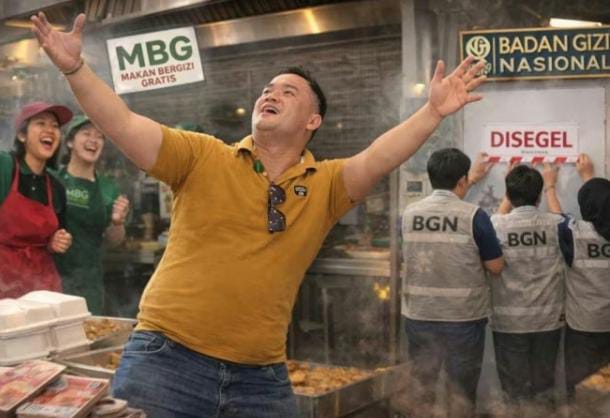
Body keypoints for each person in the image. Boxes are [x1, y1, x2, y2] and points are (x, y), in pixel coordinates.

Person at [31, 11, 487, 417]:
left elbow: (378, 157)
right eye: (268, 90)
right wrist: (75, 68)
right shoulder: (202, 155)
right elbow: (124, 122)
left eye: (289, 91)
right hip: (165, 360)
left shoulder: (326, 184)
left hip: (260, 378)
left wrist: (432, 112)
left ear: (312, 121)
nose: (271, 94)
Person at [401, 148, 503, 418]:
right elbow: (495, 267)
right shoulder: (475, 216)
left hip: (420, 315)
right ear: (461, 180)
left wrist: (470, 180)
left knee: (422, 389)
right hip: (463, 320)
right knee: (461, 393)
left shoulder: (409, 214)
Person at [489, 164, 570, 413]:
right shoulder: (556, 225)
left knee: (513, 392)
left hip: (509, 323)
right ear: (538, 197)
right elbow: (562, 220)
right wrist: (551, 186)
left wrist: (510, 190)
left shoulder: (496, 224)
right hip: (547, 321)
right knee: (543, 389)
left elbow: (496, 222)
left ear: (509, 195)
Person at [52, 115, 129, 315]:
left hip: (90, 282)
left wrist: (117, 222)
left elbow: (114, 241)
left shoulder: (108, 188)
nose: (93, 140)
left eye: (99, 136)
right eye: (86, 134)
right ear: (70, 142)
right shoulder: (53, 180)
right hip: (52, 279)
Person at [548, 154, 610, 399]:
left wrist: (550, 186)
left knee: (584, 388)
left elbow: (557, 217)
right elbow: (602, 203)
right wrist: (589, 178)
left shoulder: (575, 233)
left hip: (583, 328)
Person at [0, 102, 73, 298]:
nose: (50, 130)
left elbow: (58, 236)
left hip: (41, 284)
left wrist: (57, 242)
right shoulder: (5, 166)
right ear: (22, 135)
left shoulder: (56, 186)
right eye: (41, 123)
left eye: (55, 126)